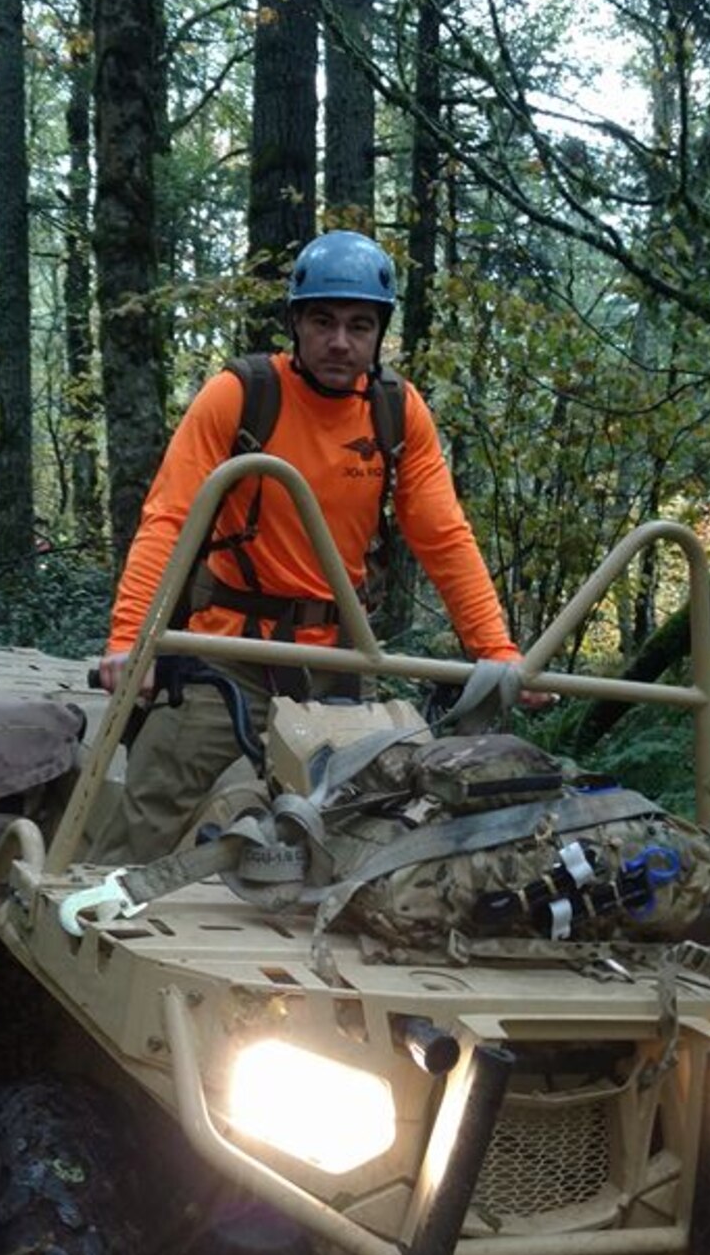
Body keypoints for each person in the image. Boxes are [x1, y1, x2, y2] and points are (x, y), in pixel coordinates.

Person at [93, 230, 546, 863]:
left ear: (379, 333)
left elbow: (443, 536)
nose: (340, 341)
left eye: (360, 325)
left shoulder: (396, 411)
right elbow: (168, 516)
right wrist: (129, 641)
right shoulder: (242, 394)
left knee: (350, 823)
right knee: (151, 800)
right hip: (227, 647)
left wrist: (495, 650)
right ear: (296, 325)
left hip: (336, 656)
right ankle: (88, 919)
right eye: (323, 321)